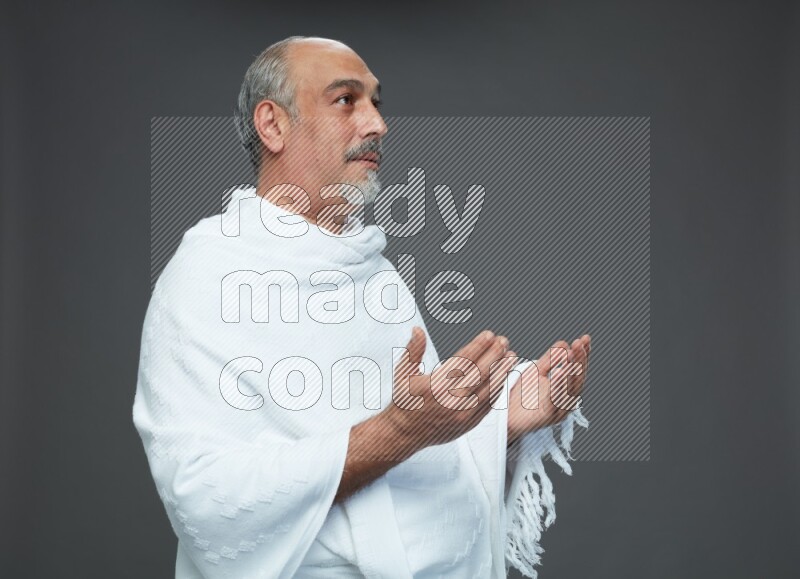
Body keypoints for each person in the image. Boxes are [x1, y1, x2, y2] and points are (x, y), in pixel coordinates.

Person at [133, 36, 592, 579]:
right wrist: (401, 430)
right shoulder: (207, 275)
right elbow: (203, 496)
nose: (377, 124)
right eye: (346, 100)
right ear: (273, 124)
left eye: (376, 102)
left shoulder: (372, 270)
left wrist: (502, 421)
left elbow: (417, 437)